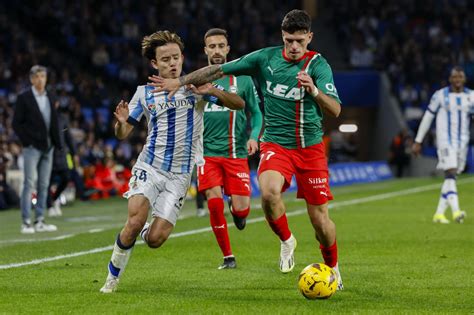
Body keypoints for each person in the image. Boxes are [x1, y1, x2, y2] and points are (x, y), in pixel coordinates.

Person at [150, 10, 344, 289]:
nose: (294, 47)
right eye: (289, 40)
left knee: (320, 220)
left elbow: (336, 109)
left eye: (300, 41)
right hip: (276, 144)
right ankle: (287, 240)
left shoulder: (318, 65)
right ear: (282, 36)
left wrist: (313, 90)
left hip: (310, 149)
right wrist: (179, 81)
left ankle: (333, 267)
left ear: (309, 38)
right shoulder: (264, 58)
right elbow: (217, 70)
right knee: (268, 194)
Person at [99, 30, 244, 293]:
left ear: (182, 58)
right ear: (154, 63)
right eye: (165, 59)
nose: (172, 63)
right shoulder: (143, 93)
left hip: (179, 175)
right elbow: (123, 134)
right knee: (133, 220)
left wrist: (213, 90)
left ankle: (144, 231)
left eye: (175, 57)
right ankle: (112, 278)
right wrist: (120, 124)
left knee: (155, 239)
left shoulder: (195, 87)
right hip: (150, 166)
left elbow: (239, 103)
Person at [197, 28, 263, 269]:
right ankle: (228, 257)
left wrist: (254, 137)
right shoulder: (197, 80)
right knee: (213, 201)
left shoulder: (243, 79)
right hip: (207, 154)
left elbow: (255, 113)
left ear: (227, 49)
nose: (216, 50)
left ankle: (237, 213)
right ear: (205, 50)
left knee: (242, 210)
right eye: (211, 46)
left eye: (220, 46)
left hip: (236, 154)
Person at [413, 66, 472, 224]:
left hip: (462, 143)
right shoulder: (440, 96)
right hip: (446, 141)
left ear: (464, 79)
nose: (457, 80)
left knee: (451, 177)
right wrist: (418, 140)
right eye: (455, 77)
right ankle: (456, 212)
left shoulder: (471, 96)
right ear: (450, 79)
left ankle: (439, 214)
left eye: (460, 76)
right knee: (450, 173)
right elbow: (427, 117)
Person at [12, 65, 61, 234]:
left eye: (43, 76)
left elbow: (55, 122)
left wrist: (58, 144)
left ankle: (39, 220)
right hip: (32, 147)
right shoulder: (24, 98)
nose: (41, 79)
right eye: (37, 76)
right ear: (32, 79)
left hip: (48, 147)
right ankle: (26, 222)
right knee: (29, 183)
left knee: (43, 184)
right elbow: (16, 123)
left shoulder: (50, 96)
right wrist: (28, 141)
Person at [47, 112, 78, 217]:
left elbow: (68, 136)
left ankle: (54, 199)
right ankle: (50, 206)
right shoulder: (45, 115)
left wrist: (74, 153)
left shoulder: (62, 118)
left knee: (66, 178)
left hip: (61, 154)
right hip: (49, 154)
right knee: (47, 182)